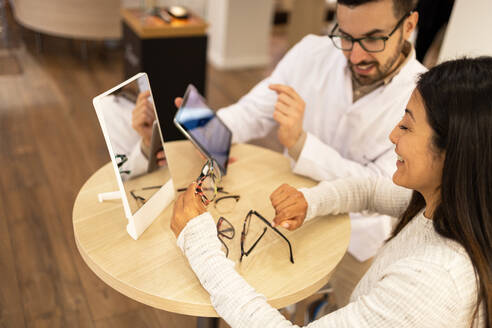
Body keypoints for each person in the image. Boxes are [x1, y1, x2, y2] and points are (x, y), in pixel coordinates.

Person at [171, 57, 492, 327]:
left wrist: (199, 242)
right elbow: (368, 190)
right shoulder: (445, 202)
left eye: (407, 126)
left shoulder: (432, 285)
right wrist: (310, 200)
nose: (393, 135)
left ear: (456, 152)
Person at [176, 0, 425, 284]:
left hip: (358, 241)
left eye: (372, 39)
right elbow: (253, 110)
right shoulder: (311, 52)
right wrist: (208, 130)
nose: (355, 56)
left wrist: (301, 143)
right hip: (285, 215)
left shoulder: (423, 99)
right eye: (345, 37)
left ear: (408, 26)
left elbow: (381, 189)